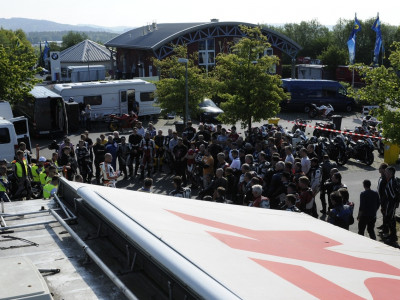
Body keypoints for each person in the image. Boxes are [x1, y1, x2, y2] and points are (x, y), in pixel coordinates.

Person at [382, 166, 399, 244]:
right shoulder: (390, 181)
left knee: (391, 221)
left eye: (386, 172)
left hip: (391, 205)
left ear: (390, 173)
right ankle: (392, 235)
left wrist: (389, 208)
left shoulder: (392, 182)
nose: (385, 173)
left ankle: (393, 237)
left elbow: (392, 196)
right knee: (390, 220)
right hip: (389, 205)